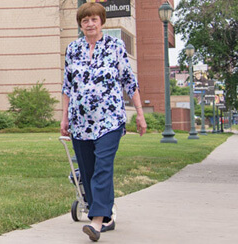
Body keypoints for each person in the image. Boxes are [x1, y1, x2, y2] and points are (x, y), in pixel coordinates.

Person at [60, 2, 147, 242]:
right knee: (88, 171)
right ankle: (106, 215)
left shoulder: (115, 46)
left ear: (102, 22)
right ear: (80, 23)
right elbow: (68, 86)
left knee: (102, 167)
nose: (89, 24)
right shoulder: (72, 49)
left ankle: (96, 222)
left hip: (109, 120)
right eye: (85, 20)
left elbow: (129, 81)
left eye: (94, 19)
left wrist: (139, 113)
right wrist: (64, 116)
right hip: (80, 121)